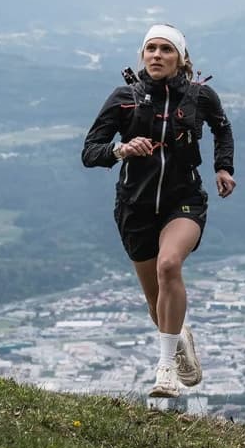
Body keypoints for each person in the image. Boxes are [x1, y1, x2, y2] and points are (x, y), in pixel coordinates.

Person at [82, 23, 236, 398]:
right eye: (150, 49)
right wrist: (120, 150)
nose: (156, 55)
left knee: (170, 265)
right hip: (134, 206)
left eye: (166, 49)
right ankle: (179, 338)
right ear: (141, 55)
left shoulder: (200, 96)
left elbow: (222, 128)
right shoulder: (125, 97)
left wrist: (223, 166)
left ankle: (165, 370)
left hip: (184, 200)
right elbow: (90, 151)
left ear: (181, 58)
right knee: (156, 303)